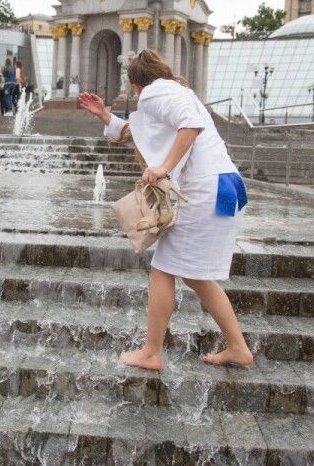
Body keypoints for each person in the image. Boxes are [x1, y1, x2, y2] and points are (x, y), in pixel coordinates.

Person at [78, 49, 253, 370]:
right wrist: (105, 116)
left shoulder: (155, 93)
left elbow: (190, 125)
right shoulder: (175, 92)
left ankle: (151, 352)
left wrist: (163, 167)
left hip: (206, 187)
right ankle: (238, 347)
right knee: (194, 276)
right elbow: (139, 133)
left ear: (135, 84)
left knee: (164, 269)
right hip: (225, 185)